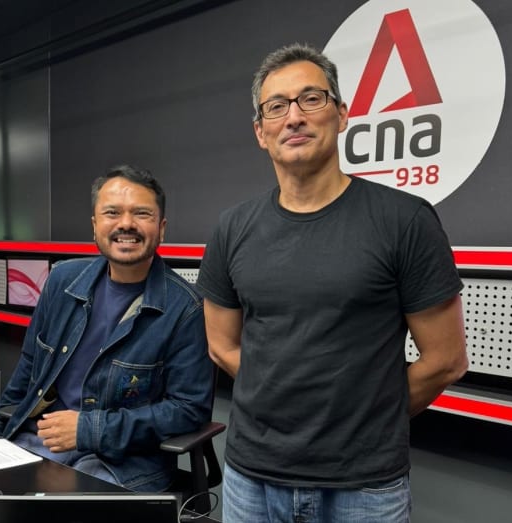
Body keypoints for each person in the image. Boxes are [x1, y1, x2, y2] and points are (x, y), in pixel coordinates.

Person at [195, 43, 468, 522]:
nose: (294, 117)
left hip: (363, 489)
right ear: (261, 132)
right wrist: (279, 395)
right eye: (276, 107)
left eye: (311, 99)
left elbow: (445, 360)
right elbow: (221, 345)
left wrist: (365, 422)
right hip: (251, 481)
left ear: (341, 115)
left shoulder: (404, 221)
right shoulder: (232, 228)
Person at [0, 164, 214, 492]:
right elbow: (27, 370)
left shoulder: (185, 308)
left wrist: (89, 430)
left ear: (161, 228)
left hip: (123, 462)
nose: (126, 223)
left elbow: (188, 410)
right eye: (112, 212)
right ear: (95, 226)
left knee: (62, 511)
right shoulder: (62, 281)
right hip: (41, 440)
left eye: (142, 213)